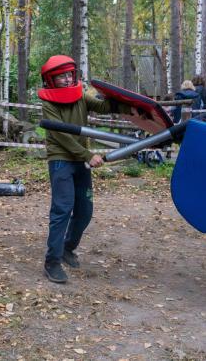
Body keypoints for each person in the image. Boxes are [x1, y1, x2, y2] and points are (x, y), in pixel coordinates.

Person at [39, 55, 129, 283]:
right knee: (62, 209)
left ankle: (68, 247)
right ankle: (53, 262)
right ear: (51, 80)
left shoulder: (79, 94)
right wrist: (88, 154)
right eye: (62, 76)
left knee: (85, 211)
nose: (67, 78)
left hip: (81, 162)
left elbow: (102, 106)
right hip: (61, 160)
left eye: (69, 74)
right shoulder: (49, 103)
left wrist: (122, 100)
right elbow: (60, 135)